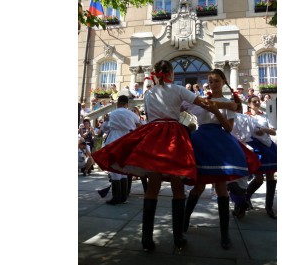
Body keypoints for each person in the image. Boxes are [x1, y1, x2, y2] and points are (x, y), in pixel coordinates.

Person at [92, 60, 237, 252]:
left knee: (153, 186)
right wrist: (231, 105)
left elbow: (158, 114)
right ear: (170, 73)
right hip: (172, 136)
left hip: (153, 135)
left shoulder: (149, 93)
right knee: (177, 186)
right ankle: (178, 238)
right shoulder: (177, 89)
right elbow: (201, 103)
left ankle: (146, 239)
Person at [181, 69, 253, 250]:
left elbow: (228, 128)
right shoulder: (201, 100)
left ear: (223, 81)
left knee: (221, 188)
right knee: (198, 186)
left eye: (216, 81)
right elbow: (181, 105)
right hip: (201, 141)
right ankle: (184, 222)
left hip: (219, 141)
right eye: (210, 81)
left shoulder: (228, 102)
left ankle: (225, 233)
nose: (213, 84)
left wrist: (217, 110)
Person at [100, 95, 142, 205]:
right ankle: (123, 196)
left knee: (114, 169)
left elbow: (104, 128)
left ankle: (116, 197)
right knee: (124, 169)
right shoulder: (132, 114)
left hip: (114, 141)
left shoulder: (111, 114)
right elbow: (140, 127)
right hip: (127, 142)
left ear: (118, 103)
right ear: (127, 104)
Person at [244, 95, 277, 219]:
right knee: (258, 178)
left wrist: (264, 130)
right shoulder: (245, 117)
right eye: (254, 101)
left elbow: (273, 131)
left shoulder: (264, 115)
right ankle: (246, 198)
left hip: (268, 147)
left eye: (258, 101)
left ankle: (269, 207)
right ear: (249, 104)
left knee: (270, 176)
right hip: (255, 148)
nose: (257, 102)